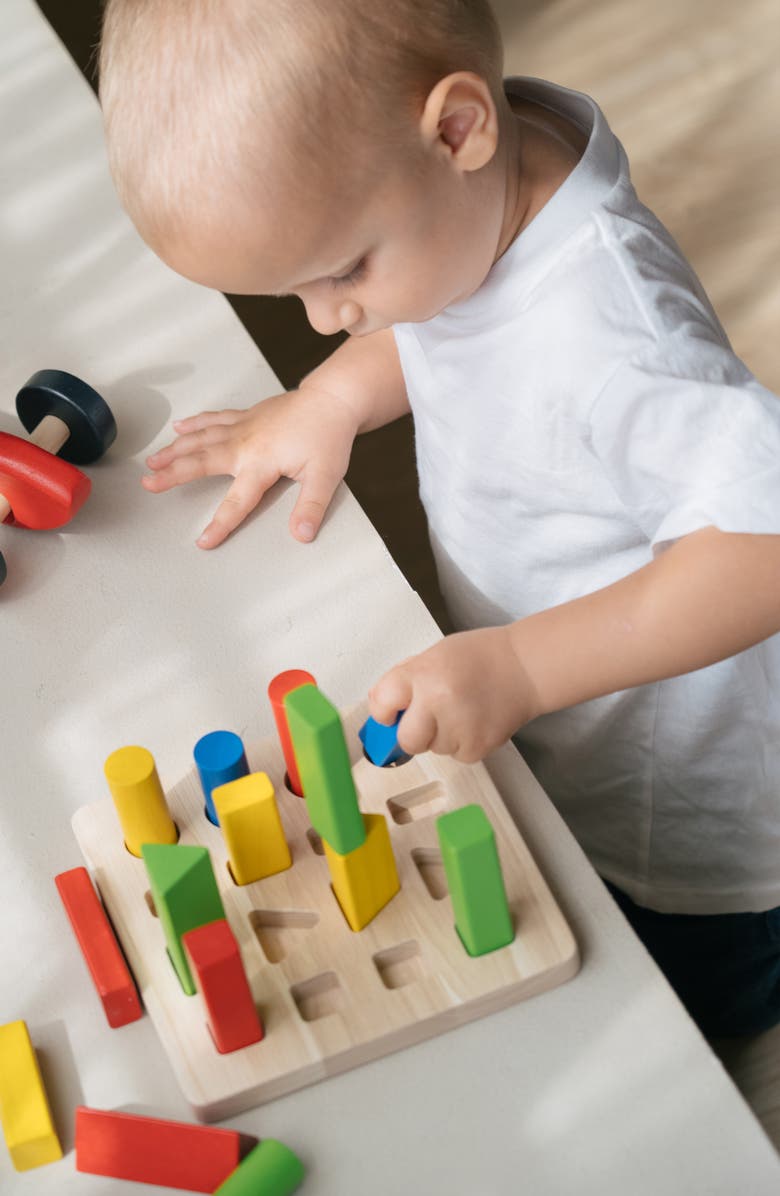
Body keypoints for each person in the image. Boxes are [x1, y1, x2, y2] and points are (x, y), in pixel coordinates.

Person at [98, 0, 780, 1038]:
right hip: (558, 722)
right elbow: (451, 317)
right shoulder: (471, 199)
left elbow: (762, 544)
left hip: (686, 826)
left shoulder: (611, 328)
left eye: (340, 274)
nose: (328, 318)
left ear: (460, 128)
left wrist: (523, 668)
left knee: (664, 1021)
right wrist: (332, 397)